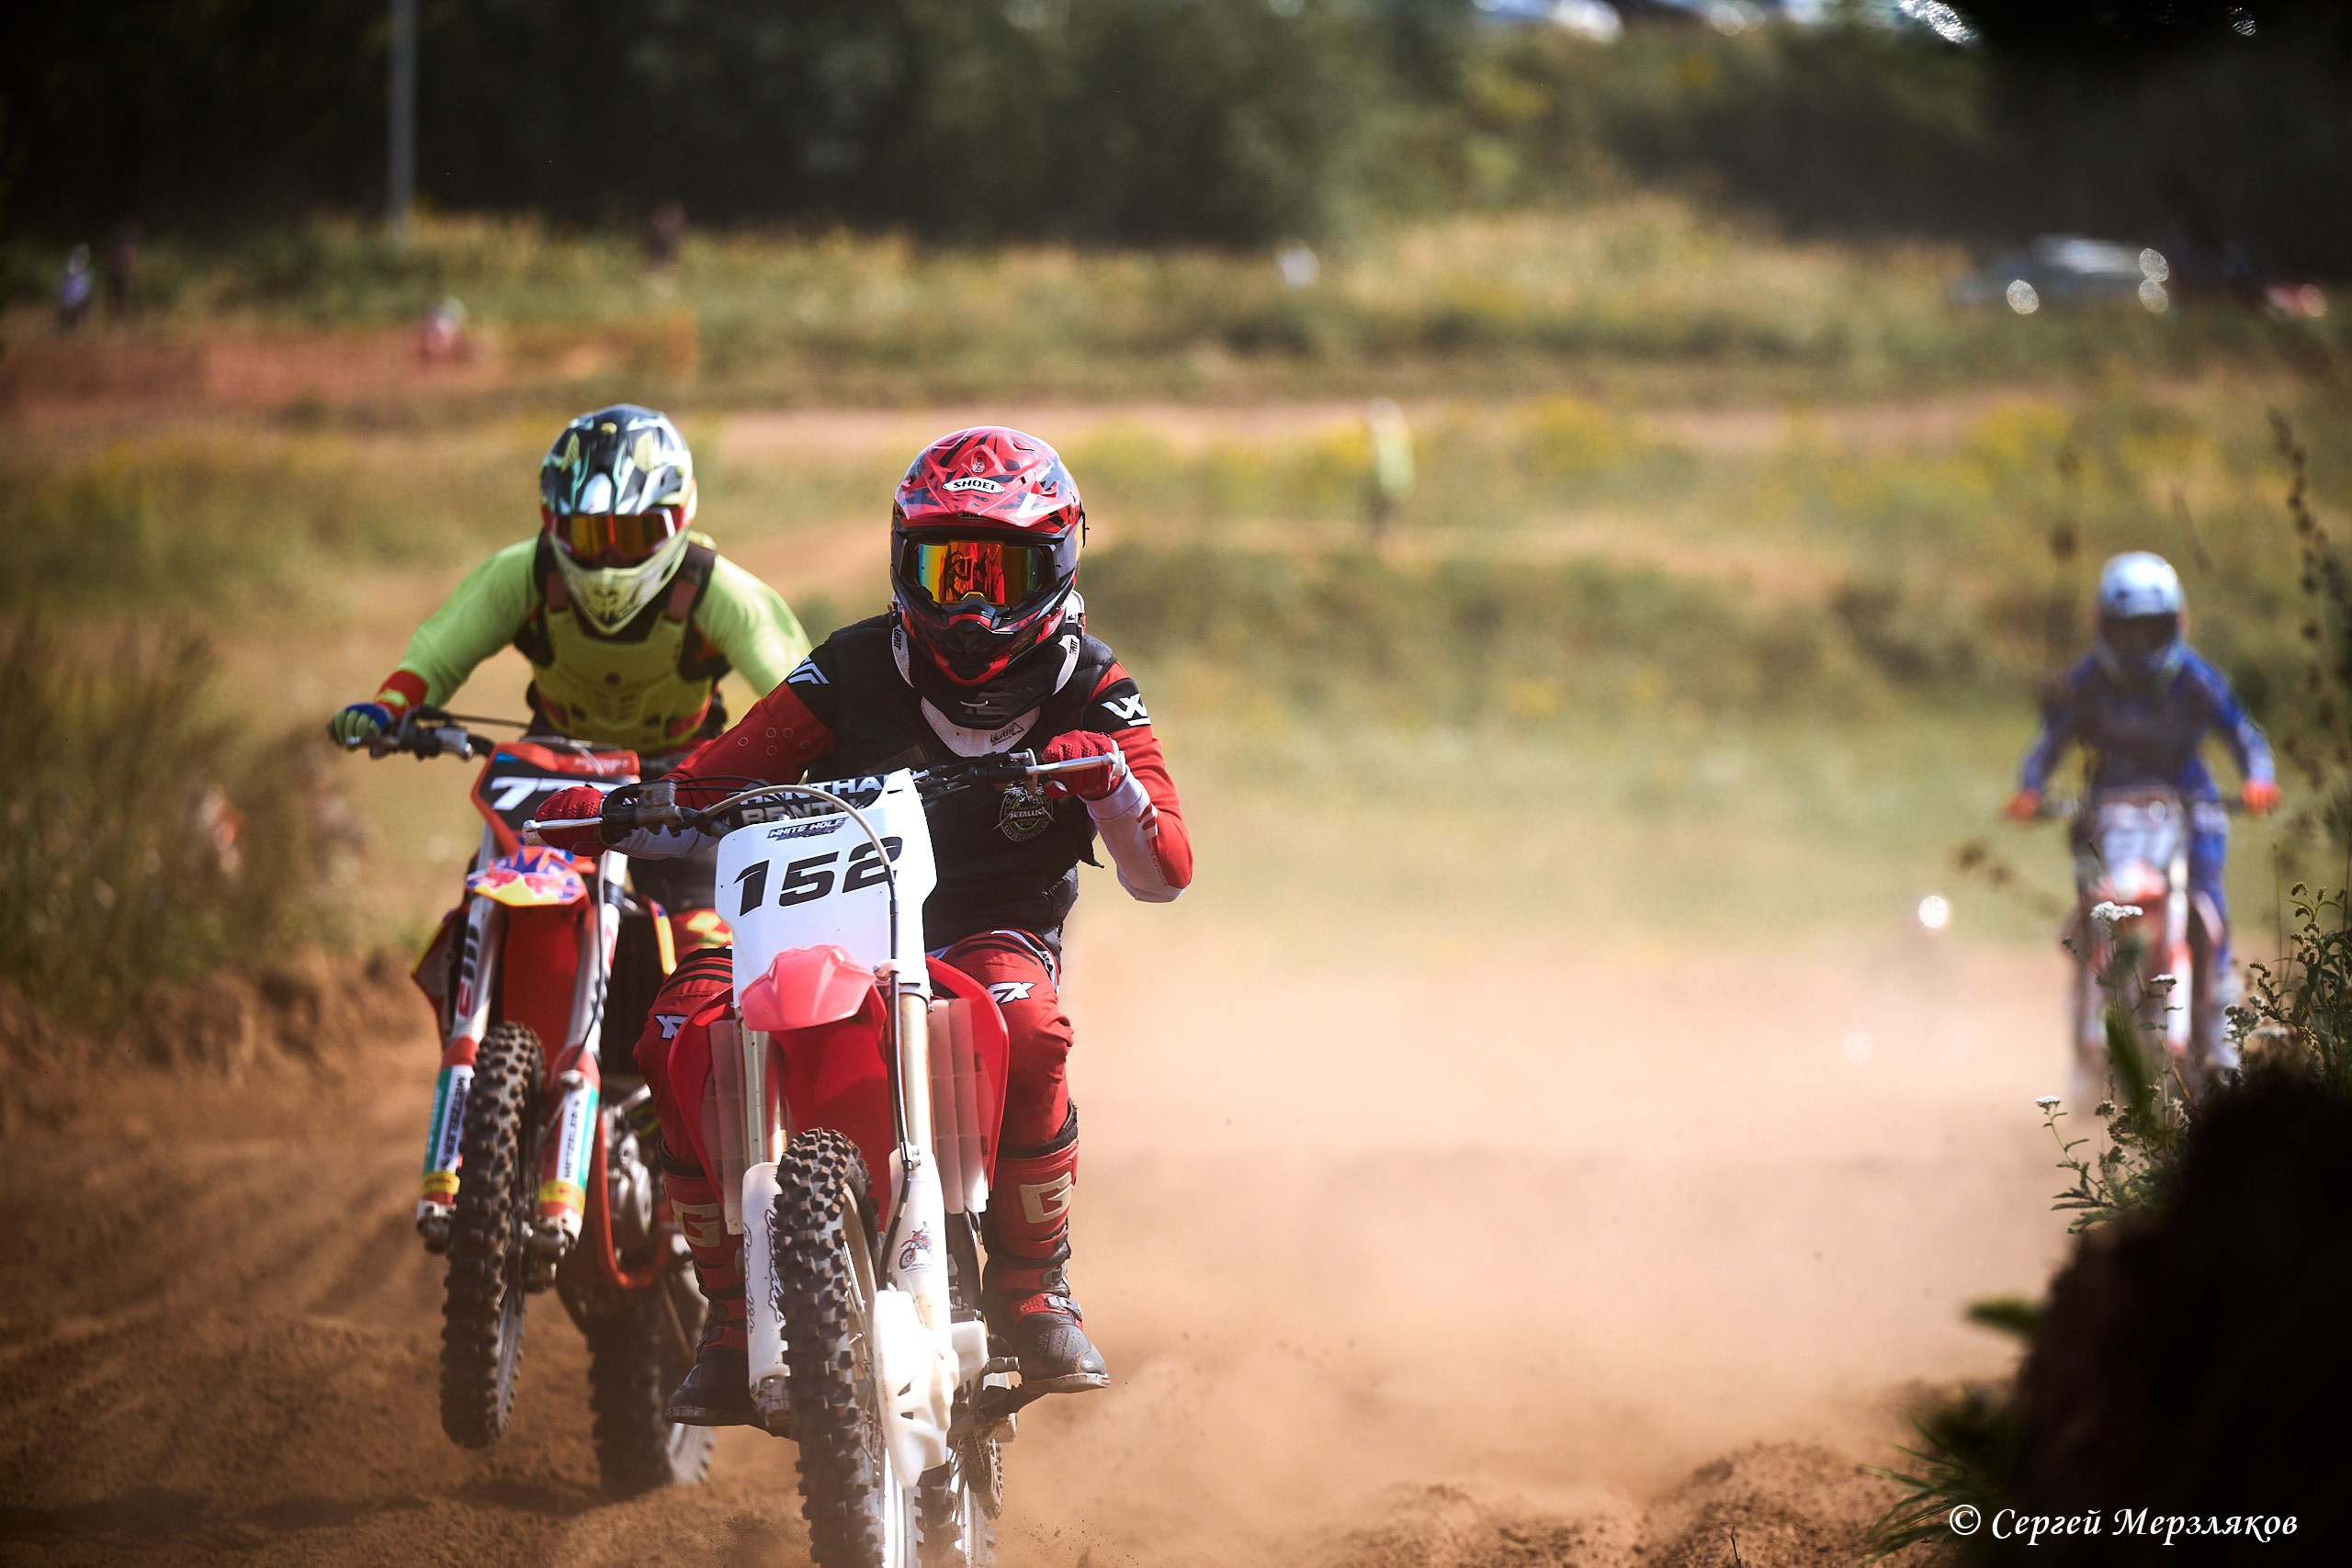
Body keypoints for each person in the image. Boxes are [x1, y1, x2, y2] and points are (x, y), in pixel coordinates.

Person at [533, 426, 1193, 1427]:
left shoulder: (1091, 684)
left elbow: (1166, 871)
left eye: (996, 573)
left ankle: (1031, 1286)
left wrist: (1109, 788)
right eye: (944, 570)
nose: (969, 606)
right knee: (675, 1029)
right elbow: (724, 771)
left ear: (1054, 566)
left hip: (989, 928)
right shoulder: (851, 666)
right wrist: (626, 806)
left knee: (1030, 1026)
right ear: (901, 564)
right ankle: (728, 1313)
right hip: (826, 919)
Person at [329, 403, 809, 926]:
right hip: (551, 772)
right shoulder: (521, 574)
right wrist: (390, 708)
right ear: (551, 522)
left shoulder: (719, 590)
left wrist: (816, 764)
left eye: (629, 537)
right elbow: (440, 652)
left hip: (682, 779)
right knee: (487, 913)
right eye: (585, 535)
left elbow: (796, 694)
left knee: (708, 941)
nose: (606, 562)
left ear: (680, 517)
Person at [2004, 550, 2278, 980]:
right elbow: (2048, 743)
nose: (2138, 644)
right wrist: (2030, 789)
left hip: (2190, 804)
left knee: (2206, 897)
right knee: (2096, 899)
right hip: (2109, 805)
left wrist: (2259, 780)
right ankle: (2092, 978)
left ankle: (2219, 1011)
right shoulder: (2086, 682)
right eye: (2126, 631)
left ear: (2177, 624)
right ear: (2102, 626)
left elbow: (2243, 735)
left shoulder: (2196, 679)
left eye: (2152, 630)